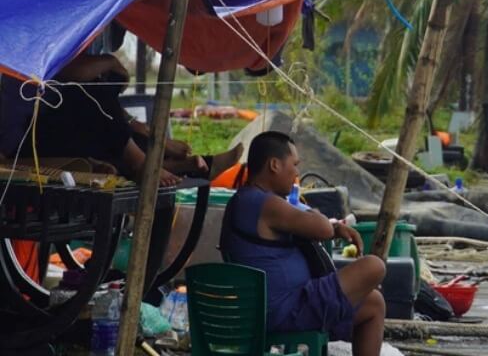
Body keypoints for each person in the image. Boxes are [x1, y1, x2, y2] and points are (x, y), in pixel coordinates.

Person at [221, 131, 386, 356]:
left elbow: (320, 228)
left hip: (289, 306)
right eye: (294, 164)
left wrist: (335, 227)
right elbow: (322, 228)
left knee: (373, 304)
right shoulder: (263, 203)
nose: (297, 173)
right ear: (274, 165)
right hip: (285, 311)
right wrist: (315, 213)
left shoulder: (249, 200)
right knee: (374, 266)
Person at [0, 53, 242, 186]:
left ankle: (178, 164)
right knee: (90, 97)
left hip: (57, 130)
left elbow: (75, 78)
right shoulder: (21, 61)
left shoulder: (36, 60)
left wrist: (112, 65)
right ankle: (144, 162)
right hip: (27, 143)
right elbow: (73, 74)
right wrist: (111, 62)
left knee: (106, 116)